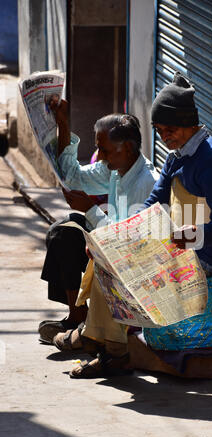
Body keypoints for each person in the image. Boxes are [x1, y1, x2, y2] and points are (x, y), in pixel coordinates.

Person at [67, 71, 212, 379]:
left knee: (123, 275)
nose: (164, 137)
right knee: (109, 262)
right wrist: (118, 241)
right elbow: (152, 206)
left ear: (189, 123)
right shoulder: (176, 157)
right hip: (179, 245)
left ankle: (112, 352)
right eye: (159, 130)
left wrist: (187, 236)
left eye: (169, 129)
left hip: (206, 255)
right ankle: (109, 347)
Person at [38, 97, 159, 347]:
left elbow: (125, 242)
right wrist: (63, 125)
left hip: (133, 262)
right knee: (62, 232)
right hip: (110, 243)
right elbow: (72, 177)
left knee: (76, 227)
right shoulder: (114, 168)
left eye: (105, 150)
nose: (101, 157)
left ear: (126, 148)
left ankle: (97, 332)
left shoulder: (146, 182)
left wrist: (91, 209)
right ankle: (77, 315)